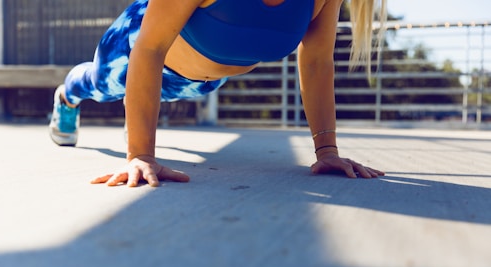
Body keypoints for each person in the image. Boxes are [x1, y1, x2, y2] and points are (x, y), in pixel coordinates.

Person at [48, 0, 386, 187]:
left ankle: (135, 112)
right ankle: (66, 98)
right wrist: (142, 155)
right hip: (134, 48)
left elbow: (315, 62)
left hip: (200, 83)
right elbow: (149, 49)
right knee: (97, 84)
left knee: (151, 97)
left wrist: (326, 150)